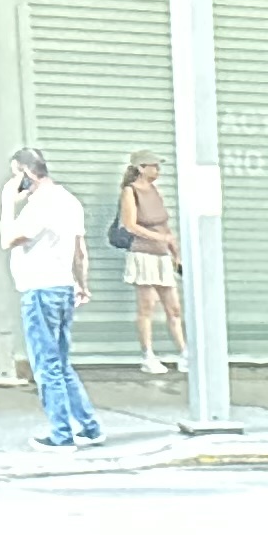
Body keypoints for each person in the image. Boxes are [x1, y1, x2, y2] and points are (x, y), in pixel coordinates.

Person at [0, 148, 103, 451]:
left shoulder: (40, 205)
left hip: (40, 290)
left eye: (15, 175)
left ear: (26, 173)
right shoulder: (69, 201)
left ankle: (61, 434)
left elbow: (8, 239)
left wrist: (7, 203)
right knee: (60, 363)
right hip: (62, 287)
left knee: (47, 367)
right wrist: (81, 284)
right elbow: (80, 252)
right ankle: (89, 427)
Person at [113, 155, 187, 379]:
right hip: (143, 253)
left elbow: (165, 226)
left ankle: (184, 353)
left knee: (174, 307)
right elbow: (130, 224)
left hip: (162, 254)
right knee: (147, 307)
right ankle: (148, 355)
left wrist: (175, 253)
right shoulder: (130, 191)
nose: (157, 170)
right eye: (153, 166)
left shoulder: (155, 191)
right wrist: (158, 237)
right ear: (141, 167)